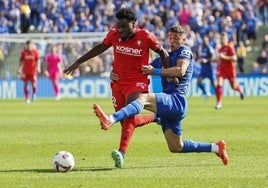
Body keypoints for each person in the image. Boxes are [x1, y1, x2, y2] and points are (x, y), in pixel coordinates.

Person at [93, 25, 228, 168]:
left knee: (143, 99)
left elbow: (180, 71)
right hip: (168, 105)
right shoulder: (164, 58)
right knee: (176, 146)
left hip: (176, 100)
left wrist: (156, 71)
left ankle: (111, 118)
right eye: (170, 37)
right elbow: (141, 69)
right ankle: (216, 148)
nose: (172, 40)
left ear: (183, 39)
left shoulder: (185, 52)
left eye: (176, 38)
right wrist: (116, 73)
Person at [63, 7, 170, 166]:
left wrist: (166, 75)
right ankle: (155, 117)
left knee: (129, 112)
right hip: (118, 82)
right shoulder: (114, 33)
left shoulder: (146, 36)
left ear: (134, 24)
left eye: (124, 27)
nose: (120, 30)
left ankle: (121, 153)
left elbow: (163, 53)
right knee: (127, 121)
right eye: (118, 26)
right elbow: (101, 47)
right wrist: (79, 62)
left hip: (137, 81)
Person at [215, 32, 244, 109]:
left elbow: (234, 58)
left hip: (230, 70)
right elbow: (217, 59)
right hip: (222, 70)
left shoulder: (230, 47)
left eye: (224, 39)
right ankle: (219, 103)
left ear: (227, 40)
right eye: (222, 39)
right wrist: (216, 59)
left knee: (233, 87)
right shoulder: (220, 49)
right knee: (219, 84)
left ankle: (240, 90)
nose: (223, 40)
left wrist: (224, 56)